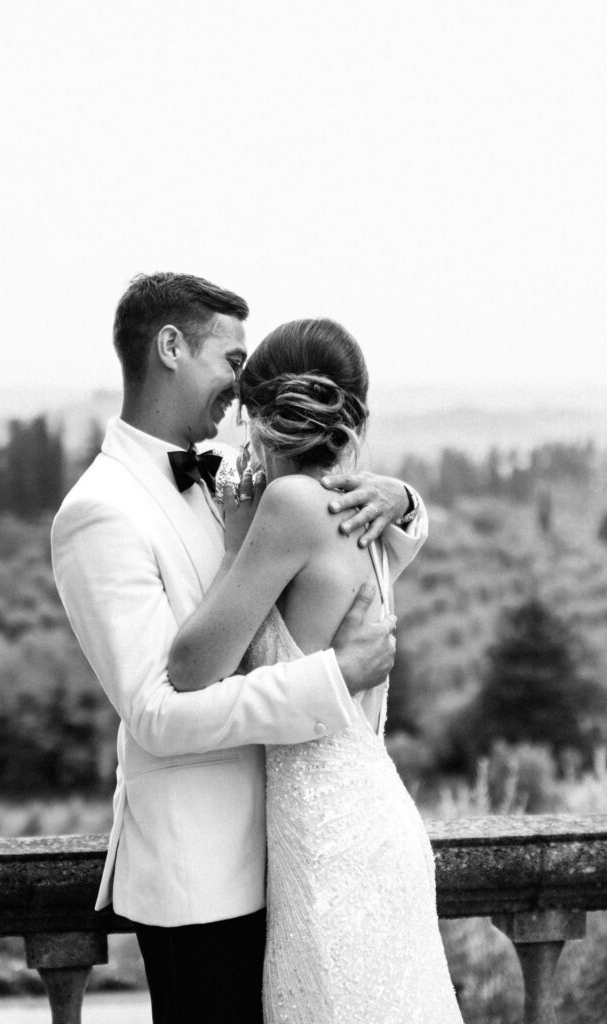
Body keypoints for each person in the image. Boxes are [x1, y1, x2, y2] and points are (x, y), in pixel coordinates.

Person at [50, 273, 427, 1024]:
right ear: (170, 347)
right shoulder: (99, 513)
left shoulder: (239, 489)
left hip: (295, 855)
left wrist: (406, 499)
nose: (241, 388)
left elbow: (331, 542)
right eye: (231, 360)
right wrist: (332, 682)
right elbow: (156, 712)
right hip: (202, 879)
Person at [169, 318, 463, 1023]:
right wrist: (406, 495)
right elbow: (410, 531)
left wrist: (237, 527)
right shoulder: (365, 512)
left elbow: (189, 667)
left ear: (257, 414)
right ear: (356, 412)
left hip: (333, 843)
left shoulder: (292, 505)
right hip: (358, 823)